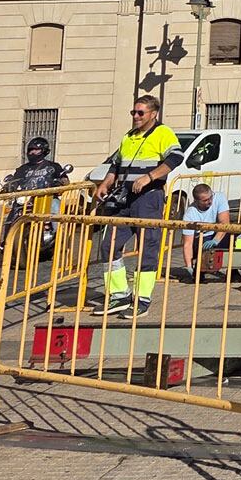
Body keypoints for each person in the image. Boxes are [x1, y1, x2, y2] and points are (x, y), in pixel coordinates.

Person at [92, 96, 184, 319]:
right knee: (108, 244)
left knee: (148, 247)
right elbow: (116, 163)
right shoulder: (129, 136)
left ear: (153, 114)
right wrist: (105, 182)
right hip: (124, 199)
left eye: (140, 113)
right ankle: (119, 294)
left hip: (149, 198)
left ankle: (142, 299)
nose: (135, 116)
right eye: (133, 112)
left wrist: (149, 177)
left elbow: (176, 158)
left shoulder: (163, 133)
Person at [178, 182, 233, 281]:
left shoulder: (219, 197)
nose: (210, 201)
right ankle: (198, 272)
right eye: (206, 200)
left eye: (211, 197)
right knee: (202, 247)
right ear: (197, 201)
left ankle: (234, 272)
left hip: (218, 234)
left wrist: (215, 240)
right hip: (201, 239)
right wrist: (188, 267)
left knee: (233, 237)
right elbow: (188, 244)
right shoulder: (190, 214)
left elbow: (225, 223)